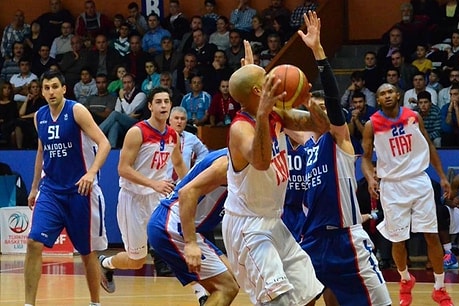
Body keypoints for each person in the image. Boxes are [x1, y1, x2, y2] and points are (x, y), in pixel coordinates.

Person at [291, 12, 391, 305]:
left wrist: (318, 52)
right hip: (311, 240)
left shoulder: (340, 140)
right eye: (313, 108)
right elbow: (279, 116)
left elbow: (333, 104)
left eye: (322, 108)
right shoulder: (308, 143)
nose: (316, 112)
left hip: (347, 241)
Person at [222, 36, 325, 305]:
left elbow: (319, 125)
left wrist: (305, 99)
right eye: (266, 78)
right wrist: (263, 113)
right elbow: (260, 162)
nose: (273, 79)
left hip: (272, 220)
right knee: (278, 300)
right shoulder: (240, 128)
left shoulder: (276, 114)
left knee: (308, 293)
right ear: (258, 92)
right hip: (247, 226)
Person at [361, 82, 454, 306]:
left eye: (390, 91)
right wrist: (371, 178)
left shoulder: (413, 116)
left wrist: (441, 175)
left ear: (398, 94)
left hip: (419, 180)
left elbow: (429, 145)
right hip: (392, 185)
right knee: (398, 240)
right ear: (378, 99)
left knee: (431, 235)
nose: (387, 96)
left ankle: (440, 288)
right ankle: (405, 279)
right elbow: (364, 157)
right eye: (382, 93)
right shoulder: (371, 124)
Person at [24, 70, 111, 306]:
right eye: (46, 87)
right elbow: (41, 152)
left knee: (86, 252)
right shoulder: (39, 116)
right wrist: (34, 188)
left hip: (79, 192)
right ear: (42, 91)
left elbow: (104, 143)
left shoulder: (76, 111)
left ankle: (95, 302)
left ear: (64, 89)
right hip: (51, 190)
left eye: (54, 86)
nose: (50, 91)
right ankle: (28, 304)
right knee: (33, 242)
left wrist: (91, 173)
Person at [98, 87, 187, 293]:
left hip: (159, 199)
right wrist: (153, 183)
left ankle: (202, 294)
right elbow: (123, 169)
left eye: (166, 101)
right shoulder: (137, 132)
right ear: (149, 106)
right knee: (136, 261)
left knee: (178, 245)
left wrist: (191, 185)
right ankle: (106, 263)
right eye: (158, 101)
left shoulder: (173, 135)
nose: (163, 105)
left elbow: (179, 164)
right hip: (134, 199)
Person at [147, 148, 239, 305]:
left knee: (233, 281)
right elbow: (187, 192)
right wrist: (190, 243)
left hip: (182, 225)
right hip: (173, 224)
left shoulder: (238, 159)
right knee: (226, 287)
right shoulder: (226, 164)